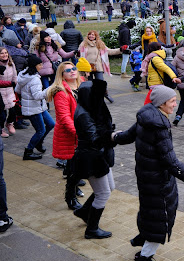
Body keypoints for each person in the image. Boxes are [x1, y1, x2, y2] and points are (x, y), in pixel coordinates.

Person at [114, 85, 184, 261]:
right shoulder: (158, 125)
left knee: (149, 210)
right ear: (162, 103)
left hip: (146, 175)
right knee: (161, 217)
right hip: (157, 179)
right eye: (172, 101)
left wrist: (112, 136)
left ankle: (143, 236)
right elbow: (170, 161)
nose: (175, 103)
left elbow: (127, 136)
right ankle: (144, 259)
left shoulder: (146, 116)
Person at [70, 79, 116, 240]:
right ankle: (92, 229)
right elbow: (94, 138)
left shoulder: (92, 107)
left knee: (110, 187)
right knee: (103, 193)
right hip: (92, 157)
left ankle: (84, 212)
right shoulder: (83, 114)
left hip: (99, 155)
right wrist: (114, 136)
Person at [47, 62, 85, 210]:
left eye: (74, 68)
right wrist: (78, 132)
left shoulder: (81, 86)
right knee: (73, 167)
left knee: (77, 165)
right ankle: (70, 197)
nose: (72, 71)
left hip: (81, 132)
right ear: (61, 75)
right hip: (70, 134)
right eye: (67, 70)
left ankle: (74, 188)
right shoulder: (60, 92)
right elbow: (64, 118)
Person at [15, 54, 54, 160]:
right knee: (40, 130)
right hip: (33, 108)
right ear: (34, 65)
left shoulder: (22, 74)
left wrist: (26, 93)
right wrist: (50, 89)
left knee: (51, 124)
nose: (42, 66)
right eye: (40, 64)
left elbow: (17, 90)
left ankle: (38, 142)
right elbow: (37, 96)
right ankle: (28, 151)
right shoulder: (34, 79)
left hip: (39, 107)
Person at [0, 48, 18, 137]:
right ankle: (1, 128)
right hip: (1, 93)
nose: (4, 55)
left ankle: (10, 123)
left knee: (13, 111)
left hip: (10, 91)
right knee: (2, 114)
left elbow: (15, 76)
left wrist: (15, 84)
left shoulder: (11, 64)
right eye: (2, 53)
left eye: (6, 53)